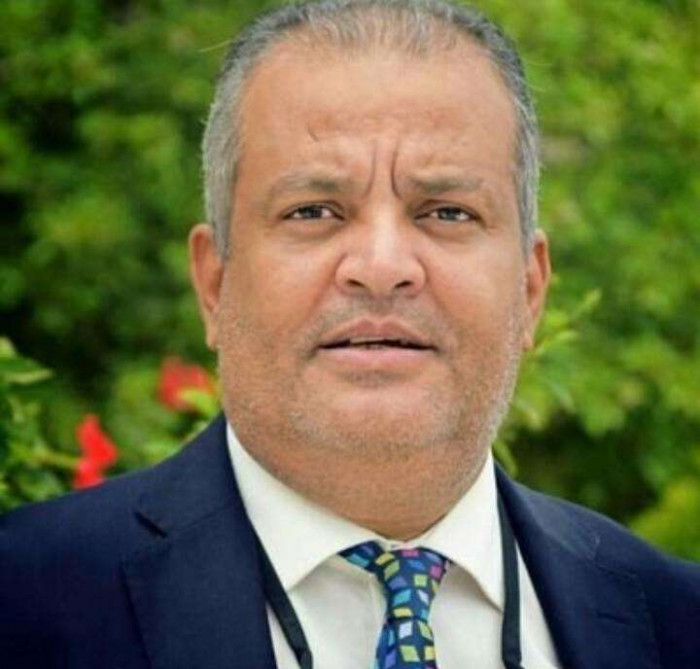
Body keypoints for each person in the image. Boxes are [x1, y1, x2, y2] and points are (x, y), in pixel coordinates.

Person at [1, 1, 698, 667]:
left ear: (529, 290)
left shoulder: (678, 624)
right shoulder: (24, 604)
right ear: (214, 282)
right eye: (314, 210)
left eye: (446, 212)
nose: (382, 267)